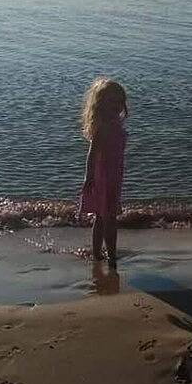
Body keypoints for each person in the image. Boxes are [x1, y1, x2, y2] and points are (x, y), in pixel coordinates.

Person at [78, 77, 128, 266]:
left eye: (119, 101)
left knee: (103, 216)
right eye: (112, 101)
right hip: (104, 177)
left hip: (114, 175)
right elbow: (92, 155)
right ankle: (109, 254)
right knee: (108, 217)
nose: (117, 105)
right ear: (101, 103)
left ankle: (98, 253)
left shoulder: (116, 123)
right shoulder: (102, 127)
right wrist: (89, 177)